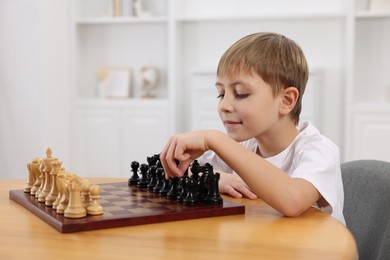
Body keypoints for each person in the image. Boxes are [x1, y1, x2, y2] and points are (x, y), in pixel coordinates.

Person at [160, 32, 345, 225]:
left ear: (286, 100)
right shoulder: (245, 145)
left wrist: (214, 139)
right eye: (221, 94)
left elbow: (293, 200)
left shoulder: (319, 150)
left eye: (241, 93)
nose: (224, 105)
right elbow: (176, 170)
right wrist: (215, 179)